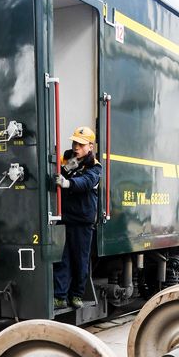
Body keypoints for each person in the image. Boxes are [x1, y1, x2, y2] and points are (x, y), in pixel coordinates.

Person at [53, 126, 102, 309]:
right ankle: (60, 297)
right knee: (62, 259)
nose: (76, 147)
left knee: (80, 260)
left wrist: (67, 183)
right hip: (64, 218)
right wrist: (63, 170)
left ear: (90, 146)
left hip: (82, 221)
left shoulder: (95, 167)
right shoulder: (66, 158)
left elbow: (86, 182)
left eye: (81, 144)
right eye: (75, 143)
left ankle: (76, 296)